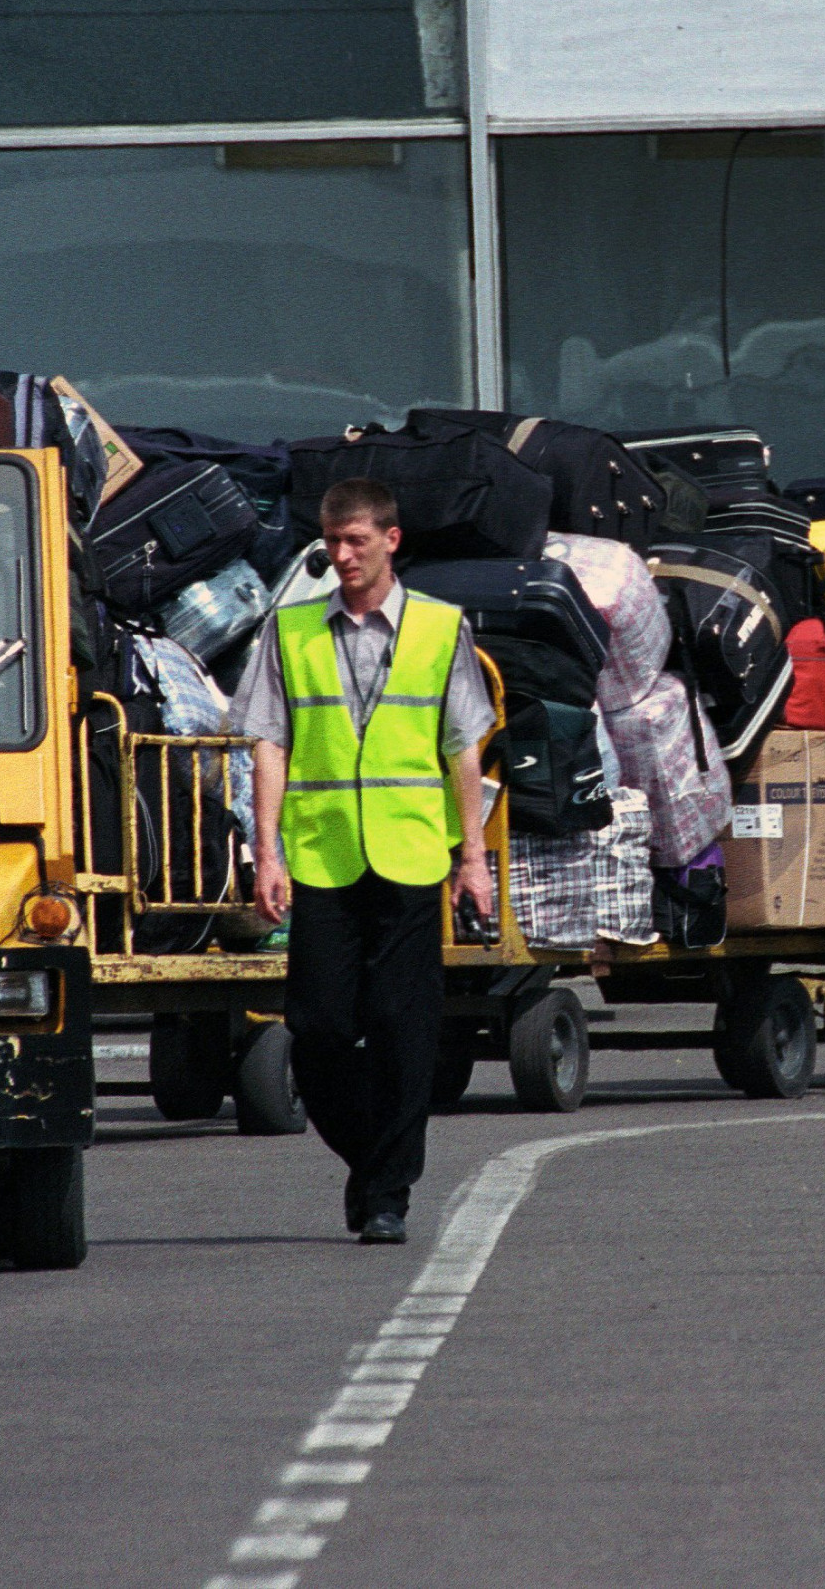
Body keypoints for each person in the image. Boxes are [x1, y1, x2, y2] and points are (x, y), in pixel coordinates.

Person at [233, 478, 497, 1244]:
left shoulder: (442, 630)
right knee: (315, 1027)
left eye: (355, 541)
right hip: (323, 856)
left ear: (391, 539)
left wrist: (471, 859)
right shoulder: (290, 632)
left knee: (400, 1026)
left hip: (412, 853)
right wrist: (268, 850)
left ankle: (387, 1195)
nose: (340, 555)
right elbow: (268, 743)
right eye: (331, 541)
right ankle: (370, 1161)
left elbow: (462, 747)